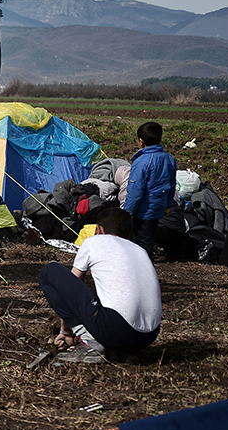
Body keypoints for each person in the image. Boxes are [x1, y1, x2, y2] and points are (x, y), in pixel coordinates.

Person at [38, 207, 162, 361]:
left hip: (115, 329)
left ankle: (90, 341)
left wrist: (66, 331)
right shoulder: (140, 250)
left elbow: (69, 288)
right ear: (129, 235)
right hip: (148, 336)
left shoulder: (93, 241)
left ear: (99, 229)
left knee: (50, 271)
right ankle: (122, 350)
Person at [121, 121, 176, 259]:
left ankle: (144, 275)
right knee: (148, 240)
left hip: (143, 211)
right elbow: (172, 185)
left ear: (141, 141)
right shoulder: (169, 159)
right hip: (158, 208)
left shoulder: (142, 161)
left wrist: (127, 212)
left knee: (141, 244)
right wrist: (167, 205)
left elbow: (135, 190)